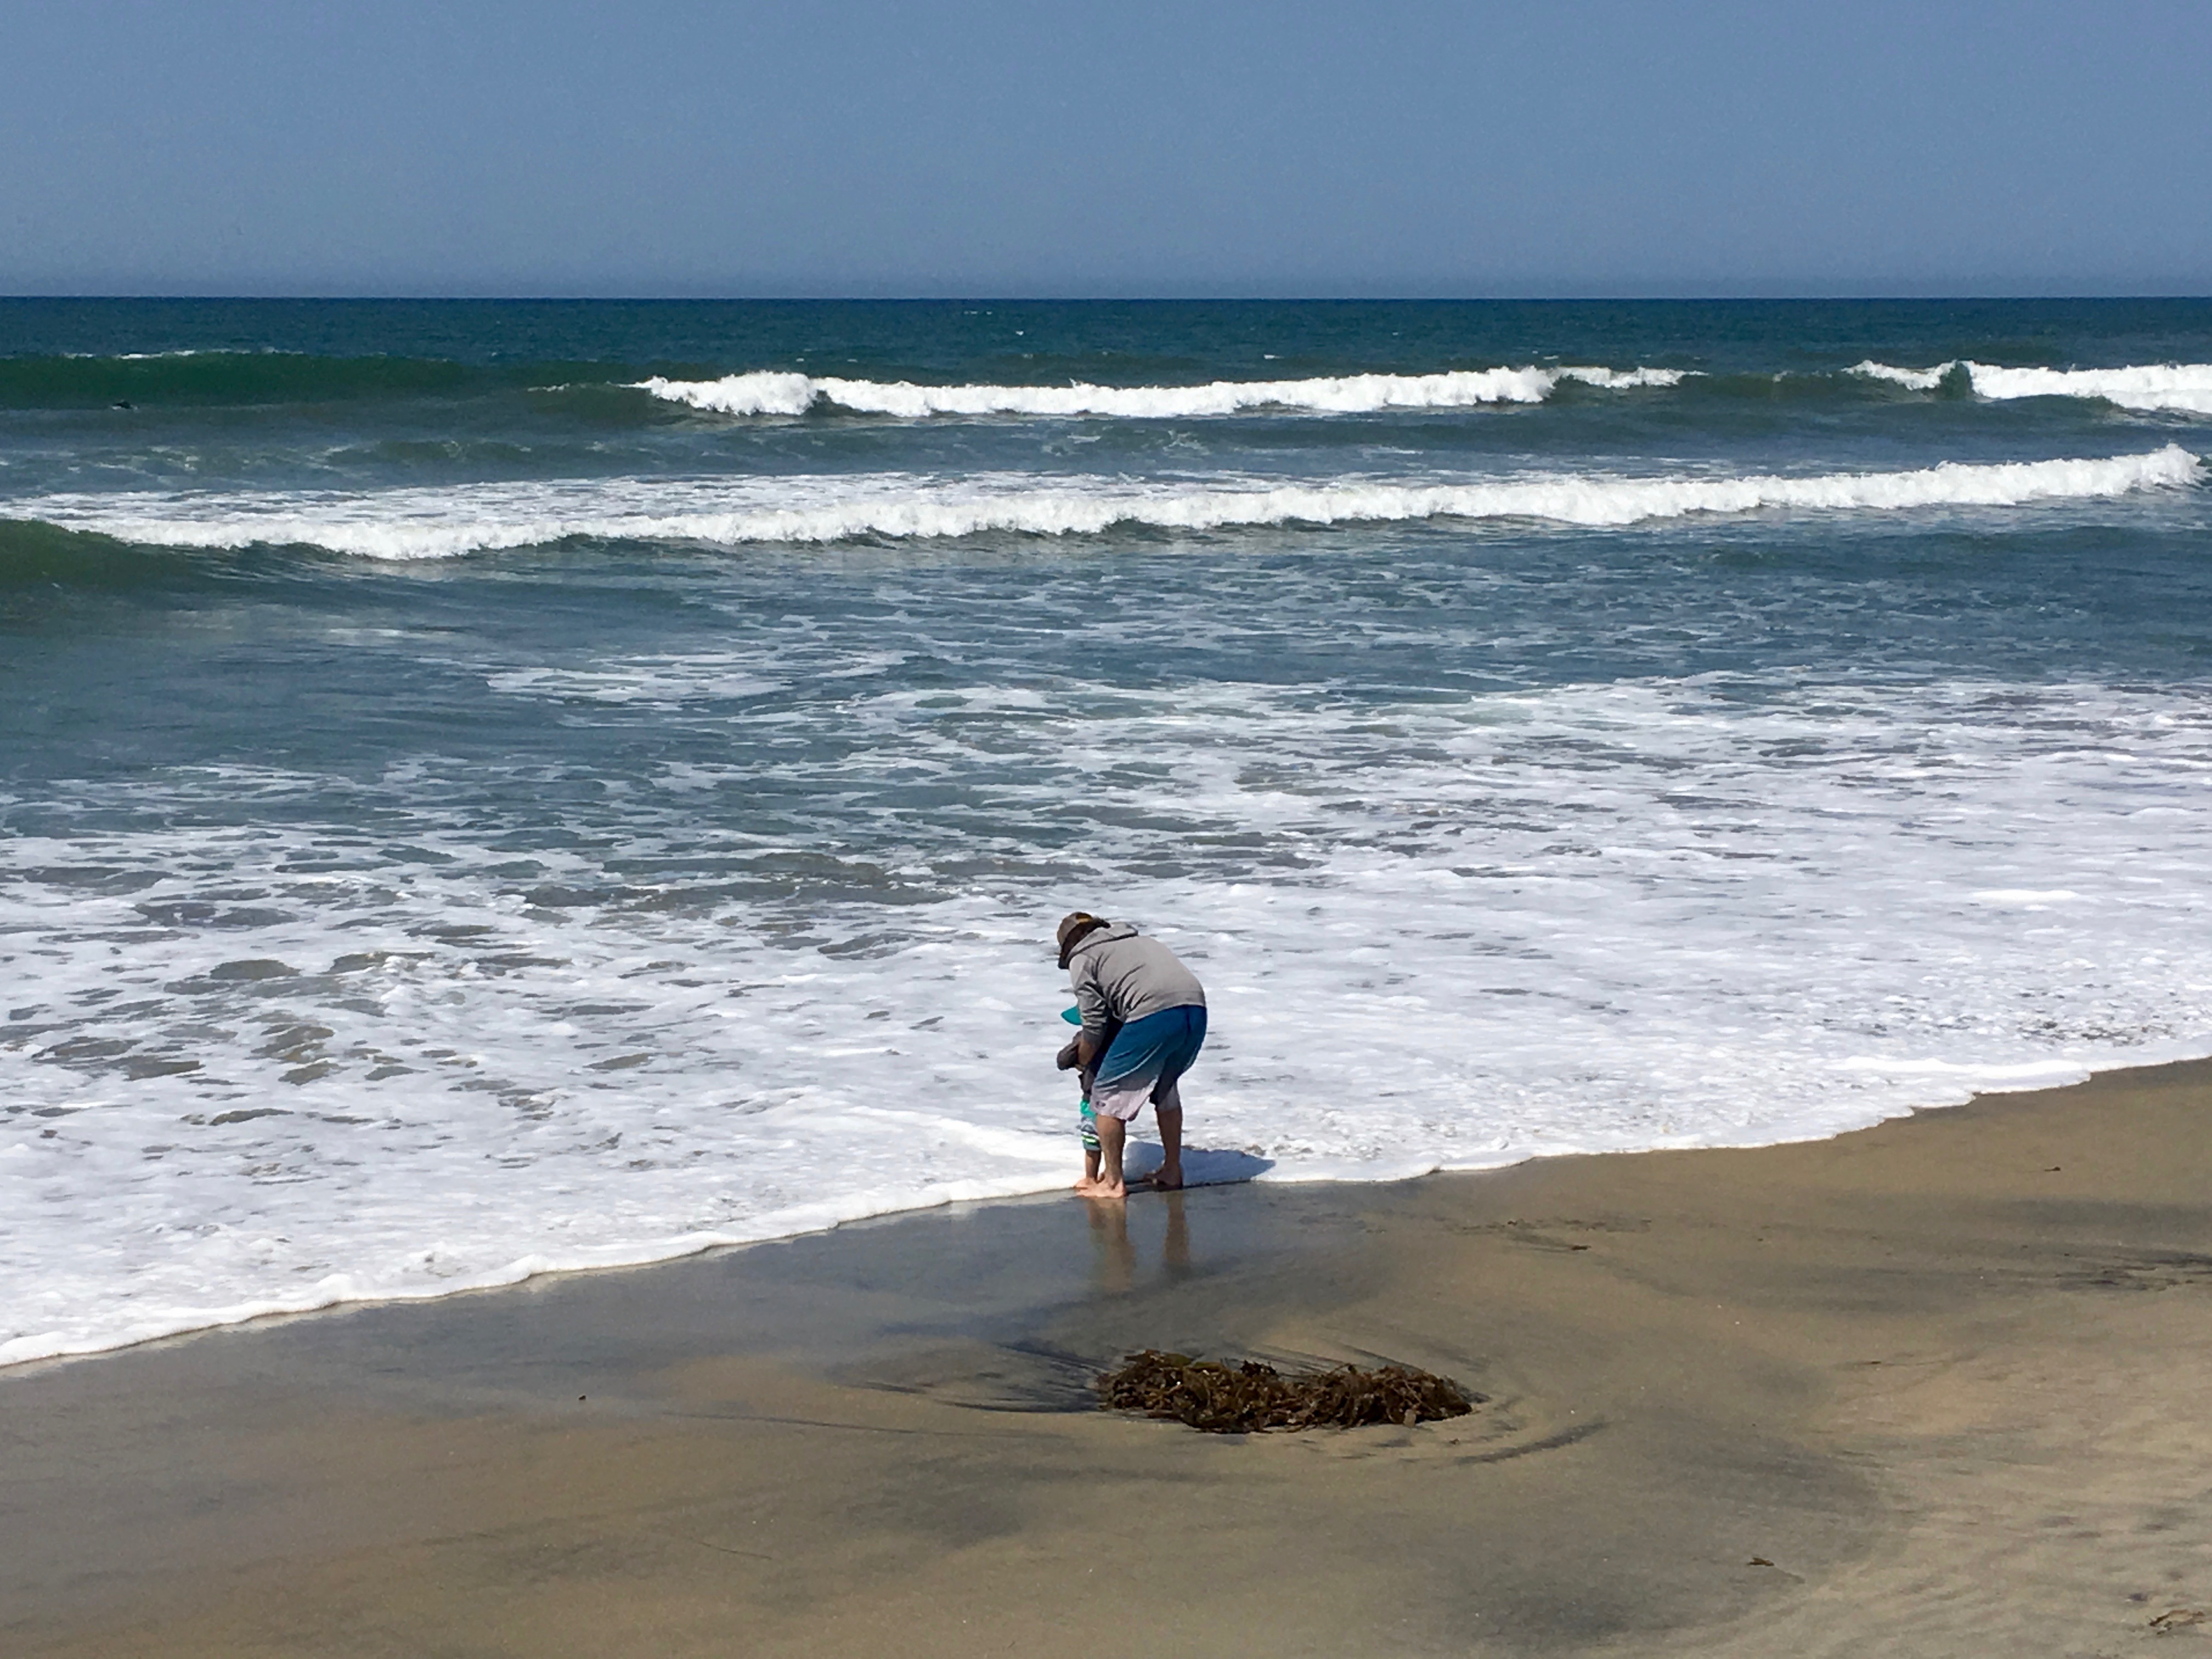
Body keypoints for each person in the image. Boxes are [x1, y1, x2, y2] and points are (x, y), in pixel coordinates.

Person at [1054, 911, 1207, 1199]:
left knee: (1106, 1098)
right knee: (1166, 1089)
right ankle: (1172, 1169)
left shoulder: (1082, 958)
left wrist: (1083, 1060)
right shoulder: (1141, 941)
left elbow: (1094, 1026)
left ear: (1068, 945)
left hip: (1154, 1013)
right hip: (1196, 1009)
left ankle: (1112, 1183)